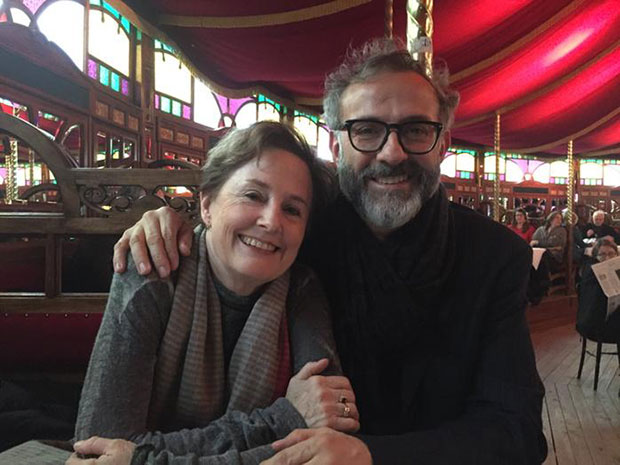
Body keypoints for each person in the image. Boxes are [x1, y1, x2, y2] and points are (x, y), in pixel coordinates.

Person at [106, 38, 547, 465]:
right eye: (367, 130)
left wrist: (376, 456)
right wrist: (166, 222)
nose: (392, 153)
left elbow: (517, 433)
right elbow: (228, 230)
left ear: (442, 145)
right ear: (336, 147)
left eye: (415, 130)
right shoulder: (299, 236)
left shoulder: (494, 257)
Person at [68, 122, 360, 465]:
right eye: (253, 195)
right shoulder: (152, 267)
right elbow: (96, 449)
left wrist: (142, 459)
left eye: (292, 209)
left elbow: (325, 449)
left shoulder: (302, 288)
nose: (271, 221)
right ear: (206, 205)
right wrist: (282, 419)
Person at [576, 238, 620, 345]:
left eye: (611, 254)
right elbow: (594, 304)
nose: (607, 258)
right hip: (597, 325)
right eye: (602, 255)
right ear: (595, 257)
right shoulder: (590, 272)